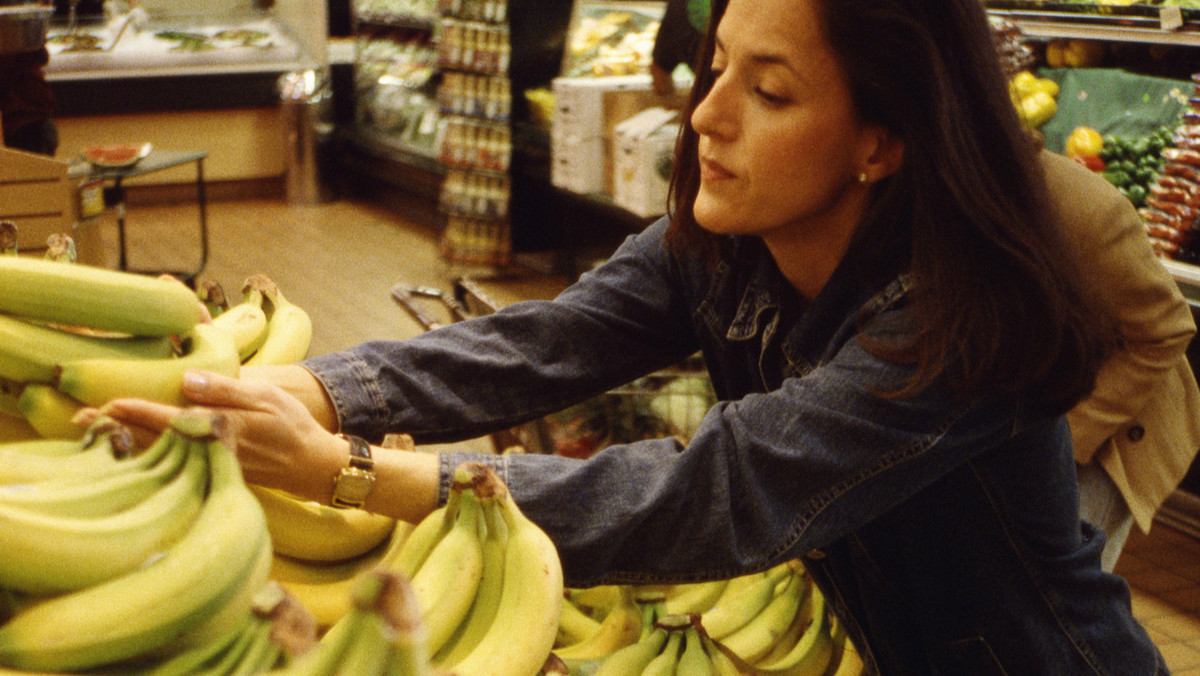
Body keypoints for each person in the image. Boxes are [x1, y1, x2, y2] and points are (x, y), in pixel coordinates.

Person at [94, 0, 1170, 672]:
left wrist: (350, 470)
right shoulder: (724, 243)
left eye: (771, 90)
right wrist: (314, 394)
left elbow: (719, 491)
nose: (707, 116)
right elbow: (543, 342)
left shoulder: (950, 320)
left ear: (880, 143)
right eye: (718, 68)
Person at [1047, 146, 1200, 573]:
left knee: (1062, 601)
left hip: (1115, 430)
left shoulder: (1082, 205)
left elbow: (1168, 328)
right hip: (1043, 409)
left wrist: (1067, 438)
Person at [0, 46, 57, 156]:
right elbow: (43, 56)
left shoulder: (11, 56)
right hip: (37, 120)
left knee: (33, 168)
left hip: (25, 124)